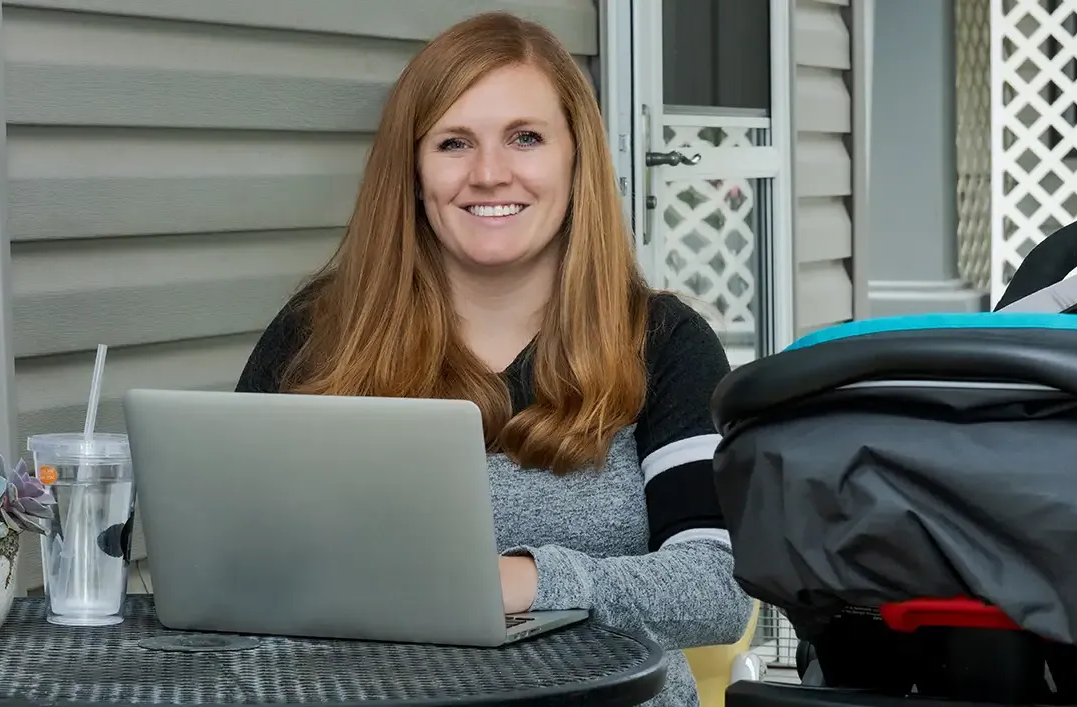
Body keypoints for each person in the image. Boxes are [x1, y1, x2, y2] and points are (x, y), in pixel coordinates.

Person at [232, 11, 752, 707]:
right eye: (453, 143)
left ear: (576, 159)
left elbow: (717, 590)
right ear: (414, 172)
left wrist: (530, 580)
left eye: (525, 138)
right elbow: (230, 553)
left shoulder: (662, 340)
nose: (488, 173)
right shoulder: (318, 333)